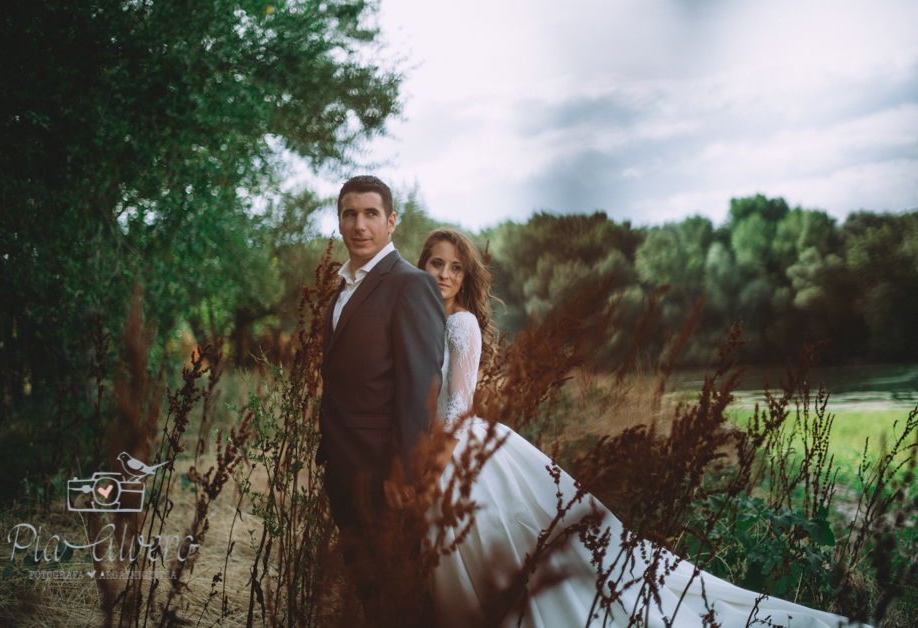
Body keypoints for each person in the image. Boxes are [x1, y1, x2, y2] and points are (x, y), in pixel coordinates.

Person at [416, 227, 867, 628]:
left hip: (455, 447)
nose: (445, 274)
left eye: (456, 267)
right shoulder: (422, 319)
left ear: (466, 277)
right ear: (422, 265)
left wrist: (430, 463)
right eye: (437, 263)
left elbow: (458, 407)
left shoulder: (461, 323)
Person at [317, 175, 445, 542]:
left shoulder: (411, 284)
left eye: (371, 214)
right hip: (342, 467)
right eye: (350, 214)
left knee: (390, 575)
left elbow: (421, 386)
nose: (359, 225)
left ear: (391, 222)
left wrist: (405, 472)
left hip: (384, 474)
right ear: (339, 221)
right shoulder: (344, 286)